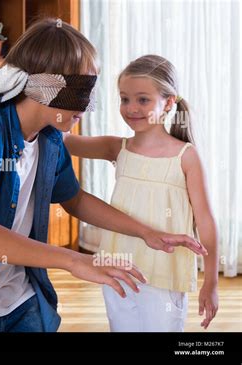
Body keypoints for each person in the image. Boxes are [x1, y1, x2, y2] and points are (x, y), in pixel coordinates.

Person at [0, 21, 206, 332]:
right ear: (48, 87)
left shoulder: (49, 137)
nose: (89, 105)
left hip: (20, 299)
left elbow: (75, 199)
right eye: (81, 90)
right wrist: (74, 261)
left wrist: (145, 232)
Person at [64, 55, 218, 331]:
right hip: (117, 268)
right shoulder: (117, 148)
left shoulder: (185, 156)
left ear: (169, 102)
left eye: (143, 100)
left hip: (163, 273)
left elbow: (206, 221)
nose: (131, 108)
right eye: (124, 99)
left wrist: (211, 282)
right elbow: (64, 141)